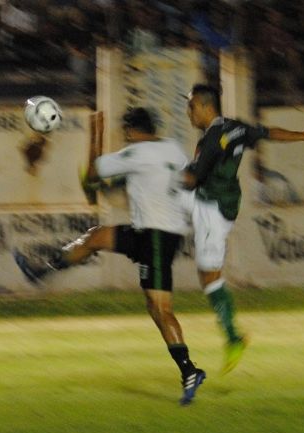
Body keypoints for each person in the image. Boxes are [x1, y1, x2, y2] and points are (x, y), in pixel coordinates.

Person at [13, 108, 206, 406]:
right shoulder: (172, 147)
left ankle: (189, 371)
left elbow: (92, 173)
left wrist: (97, 132)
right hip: (156, 233)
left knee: (160, 309)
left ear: (132, 130)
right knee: (97, 237)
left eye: (125, 130)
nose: (125, 135)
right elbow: (191, 179)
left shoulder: (136, 153)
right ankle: (42, 271)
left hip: (155, 236)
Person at [182, 83, 304, 374]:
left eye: (192, 106)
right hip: (222, 204)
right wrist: (303, 136)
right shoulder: (234, 128)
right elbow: (267, 133)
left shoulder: (212, 140)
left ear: (207, 106)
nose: (189, 112)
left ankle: (234, 337)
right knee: (206, 273)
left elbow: (191, 180)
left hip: (210, 209)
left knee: (209, 277)